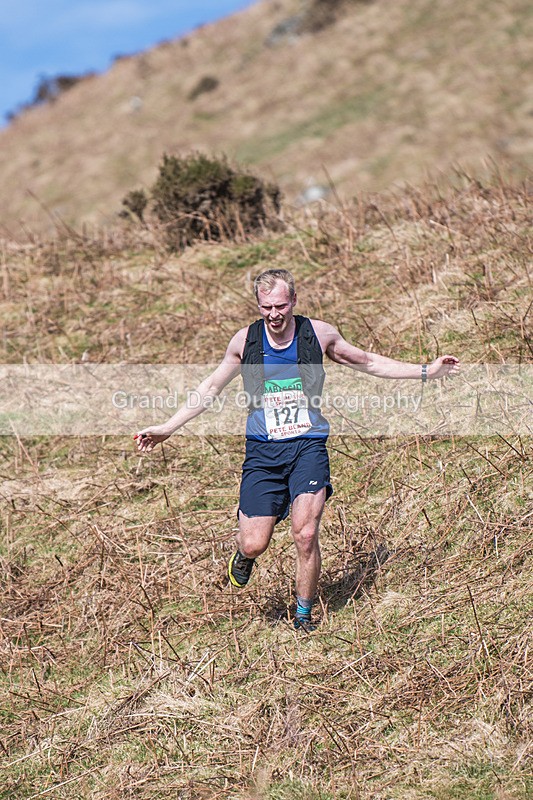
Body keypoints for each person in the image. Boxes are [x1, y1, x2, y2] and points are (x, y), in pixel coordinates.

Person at [135, 269, 460, 630]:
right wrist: (167, 428)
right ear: (258, 305)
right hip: (263, 453)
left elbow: (367, 361)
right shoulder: (245, 341)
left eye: (280, 306)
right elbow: (211, 387)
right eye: (266, 307)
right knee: (254, 543)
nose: (274, 314)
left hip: (308, 446)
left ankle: (303, 614)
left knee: (305, 534)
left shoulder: (317, 334)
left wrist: (426, 371)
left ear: (293, 300)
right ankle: (244, 554)